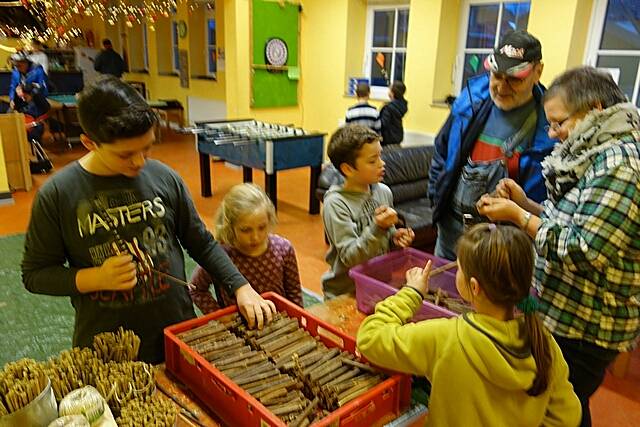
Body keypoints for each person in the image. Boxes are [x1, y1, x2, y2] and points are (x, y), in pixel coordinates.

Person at [21, 76, 276, 364]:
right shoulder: (58, 194)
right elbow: (34, 275)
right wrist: (95, 278)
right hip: (111, 347)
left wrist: (240, 286)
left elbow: (200, 243)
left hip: (177, 330)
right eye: (125, 154)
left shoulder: (164, 177)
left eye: (147, 148)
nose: (140, 162)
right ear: (89, 143)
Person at [477, 66, 640, 427]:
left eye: (559, 123)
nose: (553, 135)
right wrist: (527, 204)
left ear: (595, 109)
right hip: (562, 312)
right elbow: (568, 218)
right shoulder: (597, 153)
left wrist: (520, 218)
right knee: (557, 400)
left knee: (562, 407)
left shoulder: (621, 164)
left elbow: (582, 248)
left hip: (585, 327)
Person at [357, 224, 581, 427]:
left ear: (474, 287)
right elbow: (567, 416)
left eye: (460, 267)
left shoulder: (446, 337)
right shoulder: (544, 341)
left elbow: (370, 338)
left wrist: (411, 292)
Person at [428, 30, 555, 260]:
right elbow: (442, 149)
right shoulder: (469, 100)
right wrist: (435, 196)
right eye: (496, 75)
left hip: (499, 247)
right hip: (449, 233)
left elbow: (548, 200)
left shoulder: (551, 126)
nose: (502, 87)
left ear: (538, 72)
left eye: (515, 79)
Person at [322, 124, 414, 298]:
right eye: (372, 161)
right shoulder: (336, 204)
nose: (382, 163)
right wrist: (377, 227)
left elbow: (386, 238)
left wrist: (396, 238)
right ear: (348, 169)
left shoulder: (383, 192)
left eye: (380, 156)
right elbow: (350, 257)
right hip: (346, 292)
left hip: (379, 283)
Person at [190, 183, 303, 312]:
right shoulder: (219, 255)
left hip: (280, 325)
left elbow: (294, 295)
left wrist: (298, 320)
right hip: (237, 328)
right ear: (230, 226)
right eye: (245, 230)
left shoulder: (284, 249)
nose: (255, 237)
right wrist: (219, 315)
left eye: (262, 227)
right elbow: (195, 289)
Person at [379, 80, 407, 146]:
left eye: (389, 90)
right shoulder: (401, 105)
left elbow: (383, 124)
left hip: (388, 139)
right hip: (398, 136)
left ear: (393, 93)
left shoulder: (388, 108)